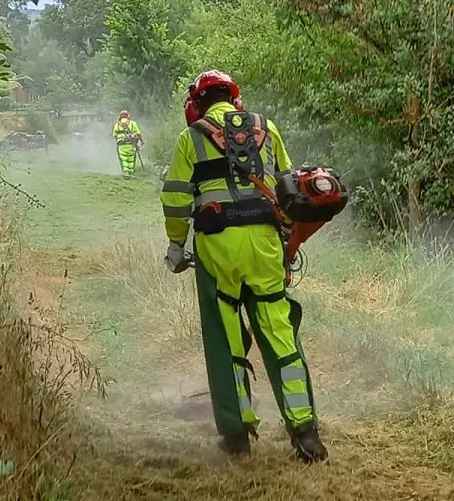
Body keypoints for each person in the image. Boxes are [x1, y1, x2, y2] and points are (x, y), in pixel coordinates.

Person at [159, 70, 328, 463]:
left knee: (226, 340)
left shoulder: (191, 137)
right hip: (265, 243)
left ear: (196, 104)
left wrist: (175, 244)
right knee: (281, 335)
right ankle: (305, 433)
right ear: (233, 99)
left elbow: (176, 197)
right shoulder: (265, 128)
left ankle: (237, 434)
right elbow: (288, 184)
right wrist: (287, 237)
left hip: (218, 247)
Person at [113, 109, 142, 179]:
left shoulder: (117, 125)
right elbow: (138, 133)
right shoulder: (132, 123)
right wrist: (141, 141)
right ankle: (131, 173)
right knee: (131, 159)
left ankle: (125, 172)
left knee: (123, 158)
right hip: (131, 144)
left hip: (121, 145)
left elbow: (115, 135)